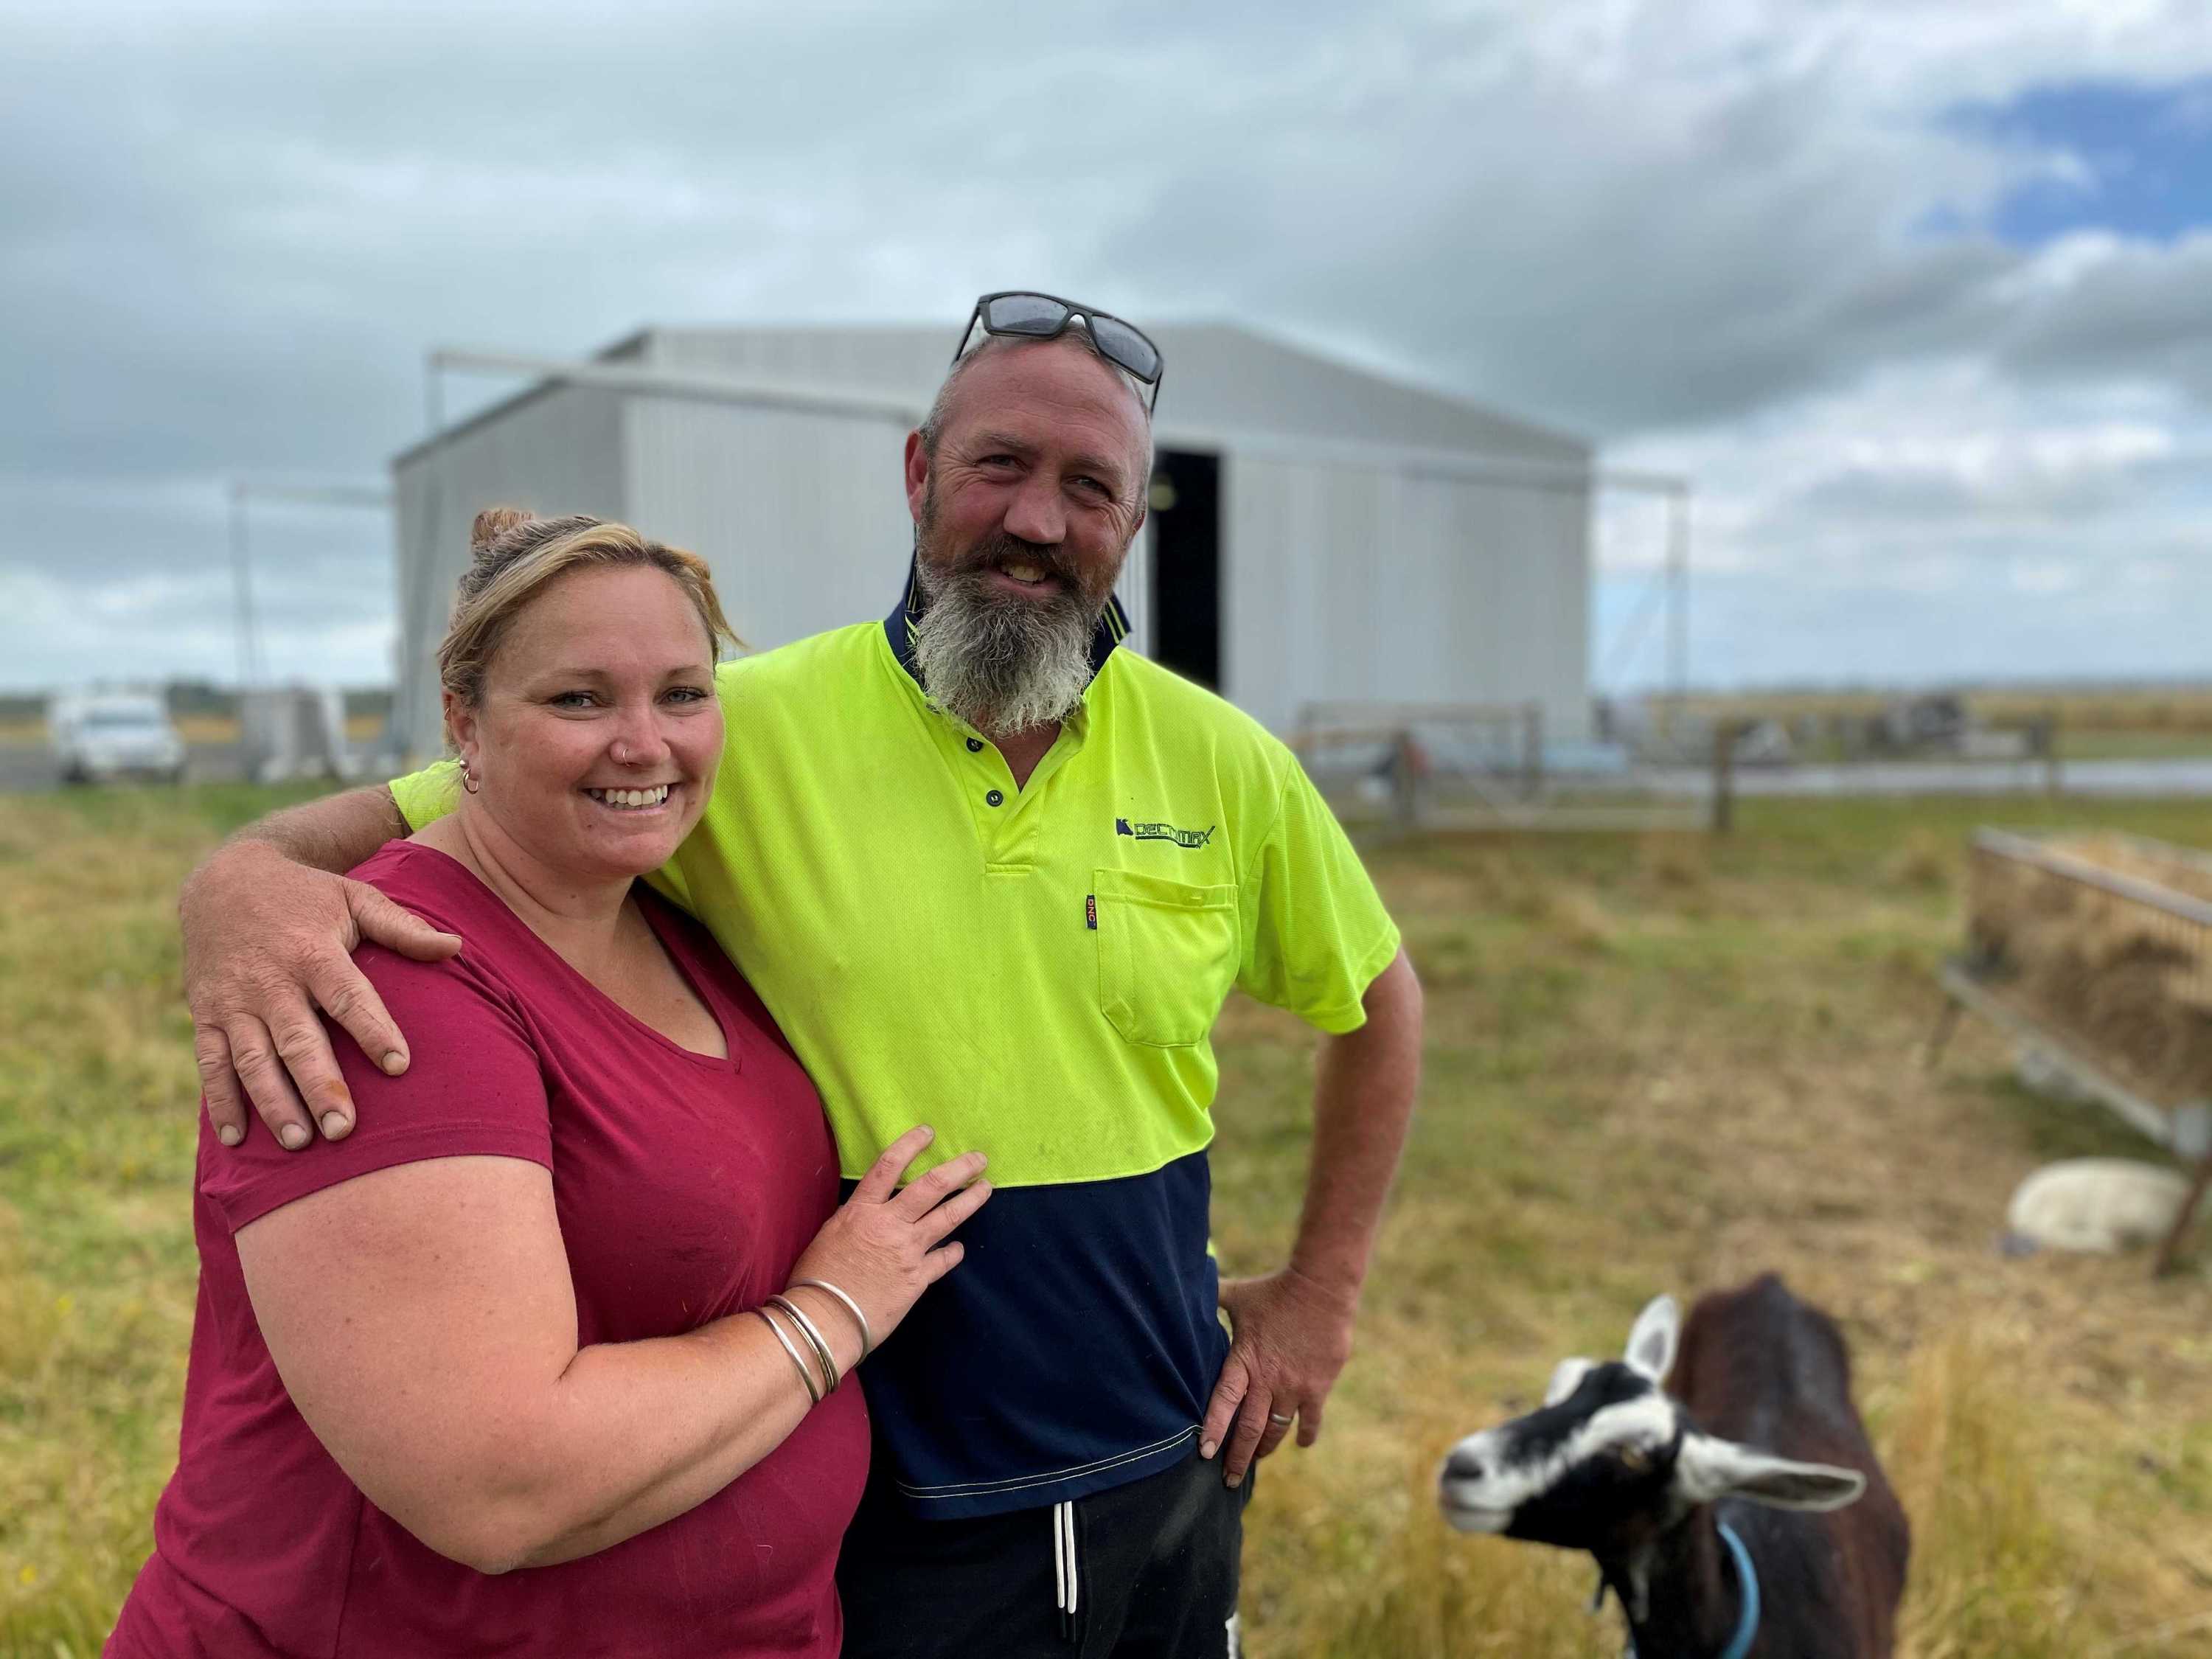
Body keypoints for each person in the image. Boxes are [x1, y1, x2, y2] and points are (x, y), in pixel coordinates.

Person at [176, 293, 1425, 1657]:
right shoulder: (725, 723)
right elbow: (419, 818)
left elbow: (1378, 999)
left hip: (1167, 1458)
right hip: (885, 1492)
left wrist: (1321, 1292)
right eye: (998, 465)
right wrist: (237, 887)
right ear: (918, 474)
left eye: (1090, 488)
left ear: (1132, 521)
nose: (1035, 521)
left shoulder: (1225, 758)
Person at [112, 511, 990, 1658]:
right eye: (579, 699)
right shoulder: (386, 983)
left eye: (684, 693)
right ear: (462, 724)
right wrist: (838, 1311)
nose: (646, 743)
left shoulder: (675, 926)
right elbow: (496, 1483)